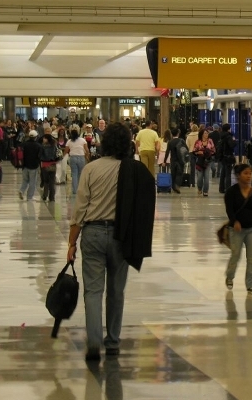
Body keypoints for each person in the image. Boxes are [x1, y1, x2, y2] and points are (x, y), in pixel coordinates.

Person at [67, 122, 156, 362]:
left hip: (93, 233)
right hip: (121, 236)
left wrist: (72, 243)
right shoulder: (134, 170)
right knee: (116, 291)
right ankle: (113, 342)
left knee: (93, 292)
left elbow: (80, 209)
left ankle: (94, 341)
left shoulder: (91, 169)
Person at [224, 164, 252, 296]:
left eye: (250, 173)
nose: (249, 176)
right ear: (238, 175)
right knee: (235, 255)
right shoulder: (231, 192)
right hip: (236, 230)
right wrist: (234, 222)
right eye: (246, 173)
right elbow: (229, 210)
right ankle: (230, 276)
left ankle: (251, 285)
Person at [65, 127, 90, 195]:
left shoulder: (69, 141)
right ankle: (80, 189)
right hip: (81, 157)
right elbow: (87, 150)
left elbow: (66, 150)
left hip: (72, 158)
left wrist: (64, 156)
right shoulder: (82, 140)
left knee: (74, 174)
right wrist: (87, 155)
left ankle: (75, 190)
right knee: (80, 173)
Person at [19, 131, 42, 201]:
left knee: (25, 180)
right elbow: (39, 156)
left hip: (24, 165)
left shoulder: (24, 144)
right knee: (32, 182)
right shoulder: (38, 146)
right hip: (34, 166)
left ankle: (21, 191)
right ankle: (29, 197)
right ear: (36, 137)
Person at [162, 128, 185, 194]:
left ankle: (173, 187)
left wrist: (164, 161)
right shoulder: (181, 141)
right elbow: (186, 149)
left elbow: (167, 152)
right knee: (180, 173)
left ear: (172, 134)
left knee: (173, 173)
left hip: (173, 160)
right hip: (180, 160)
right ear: (178, 133)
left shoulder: (170, 142)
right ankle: (177, 185)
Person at [193, 130, 216, 196]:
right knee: (200, 177)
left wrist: (209, 152)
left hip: (208, 161)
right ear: (202, 134)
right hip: (200, 161)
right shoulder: (198, 142)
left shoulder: (210, 141)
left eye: (207, 133)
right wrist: (198, 152)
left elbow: (214, 150)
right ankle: (199, 188)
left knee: (206, 176)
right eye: (205, 133)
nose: (206, 134)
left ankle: (205, 191)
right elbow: (194, 151)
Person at [39, 134, 59, 202]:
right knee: (52, 181)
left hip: (45, 164)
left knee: (46, 181)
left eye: (44, 138)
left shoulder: (42, 146)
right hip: (53, 164)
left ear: (47, 139)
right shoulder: (54, 146)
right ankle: (52, 197)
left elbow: (39, 156)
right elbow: (57, 154)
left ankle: (45, 195)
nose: (43, 139)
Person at [217, 124, 236, 193]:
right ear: (228, 129)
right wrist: (234, 141)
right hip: (228, 156)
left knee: (223, 173)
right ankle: (228, 189)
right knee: (228, 174)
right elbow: (232, 145)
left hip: (222, 156)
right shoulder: (229, 136)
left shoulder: (221, 136)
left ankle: (221, 188)